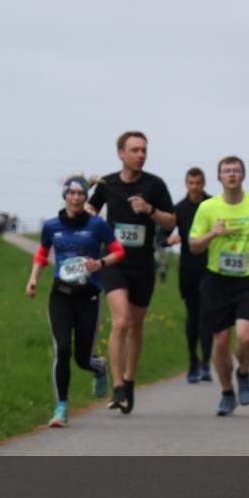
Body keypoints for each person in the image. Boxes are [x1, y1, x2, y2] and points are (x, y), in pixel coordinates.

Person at [85, 131, 176, 414]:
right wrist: (84, 196)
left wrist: (149, 210)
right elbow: (88, 211)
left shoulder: (155, 184)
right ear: (121, 153)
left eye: (144, 150)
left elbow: (170, 222)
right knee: (121, 320)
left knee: (136, 325)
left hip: (143, 265)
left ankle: (130, 381)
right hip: (114, 262)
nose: (140, 155)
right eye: (135, 150)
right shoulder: (107, 183)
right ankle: (117, 385)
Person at [26, 176, 125, 426]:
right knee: (62, 350)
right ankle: (60, 408)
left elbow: (118, 251)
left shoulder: (97, 225)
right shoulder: (51, 226)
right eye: (72, 193)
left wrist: (100, 263)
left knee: (82, 358)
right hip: (60, 295)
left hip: (88, 296)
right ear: (65, 195)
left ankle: (98, 367)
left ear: (85, 197)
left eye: (81, 194)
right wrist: (33, 278)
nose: (76, 198)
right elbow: (42, 252)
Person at [188, 155, 249, 416]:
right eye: (226, 171)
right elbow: (194, 246)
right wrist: (213, 233)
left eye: (236, 170)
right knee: (221, 343)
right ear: (219, 177)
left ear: (243, 175)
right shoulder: (207, 208)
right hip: (217, 281)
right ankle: (227, 393)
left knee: (245, 336)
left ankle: (244, 372)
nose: (231, 174)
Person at [165, 167, 213, 383]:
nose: (194, 187)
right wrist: (168, 240)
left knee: (206, 316)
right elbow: (163, 234)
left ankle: (206, 363)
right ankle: (193, 361)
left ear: (203, 184)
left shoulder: (213, 205)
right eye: (191, 183)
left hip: (210, 267)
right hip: (188, 268)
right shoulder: (179, 209)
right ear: (186, 184)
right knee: (193, 316)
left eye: (198, 183)